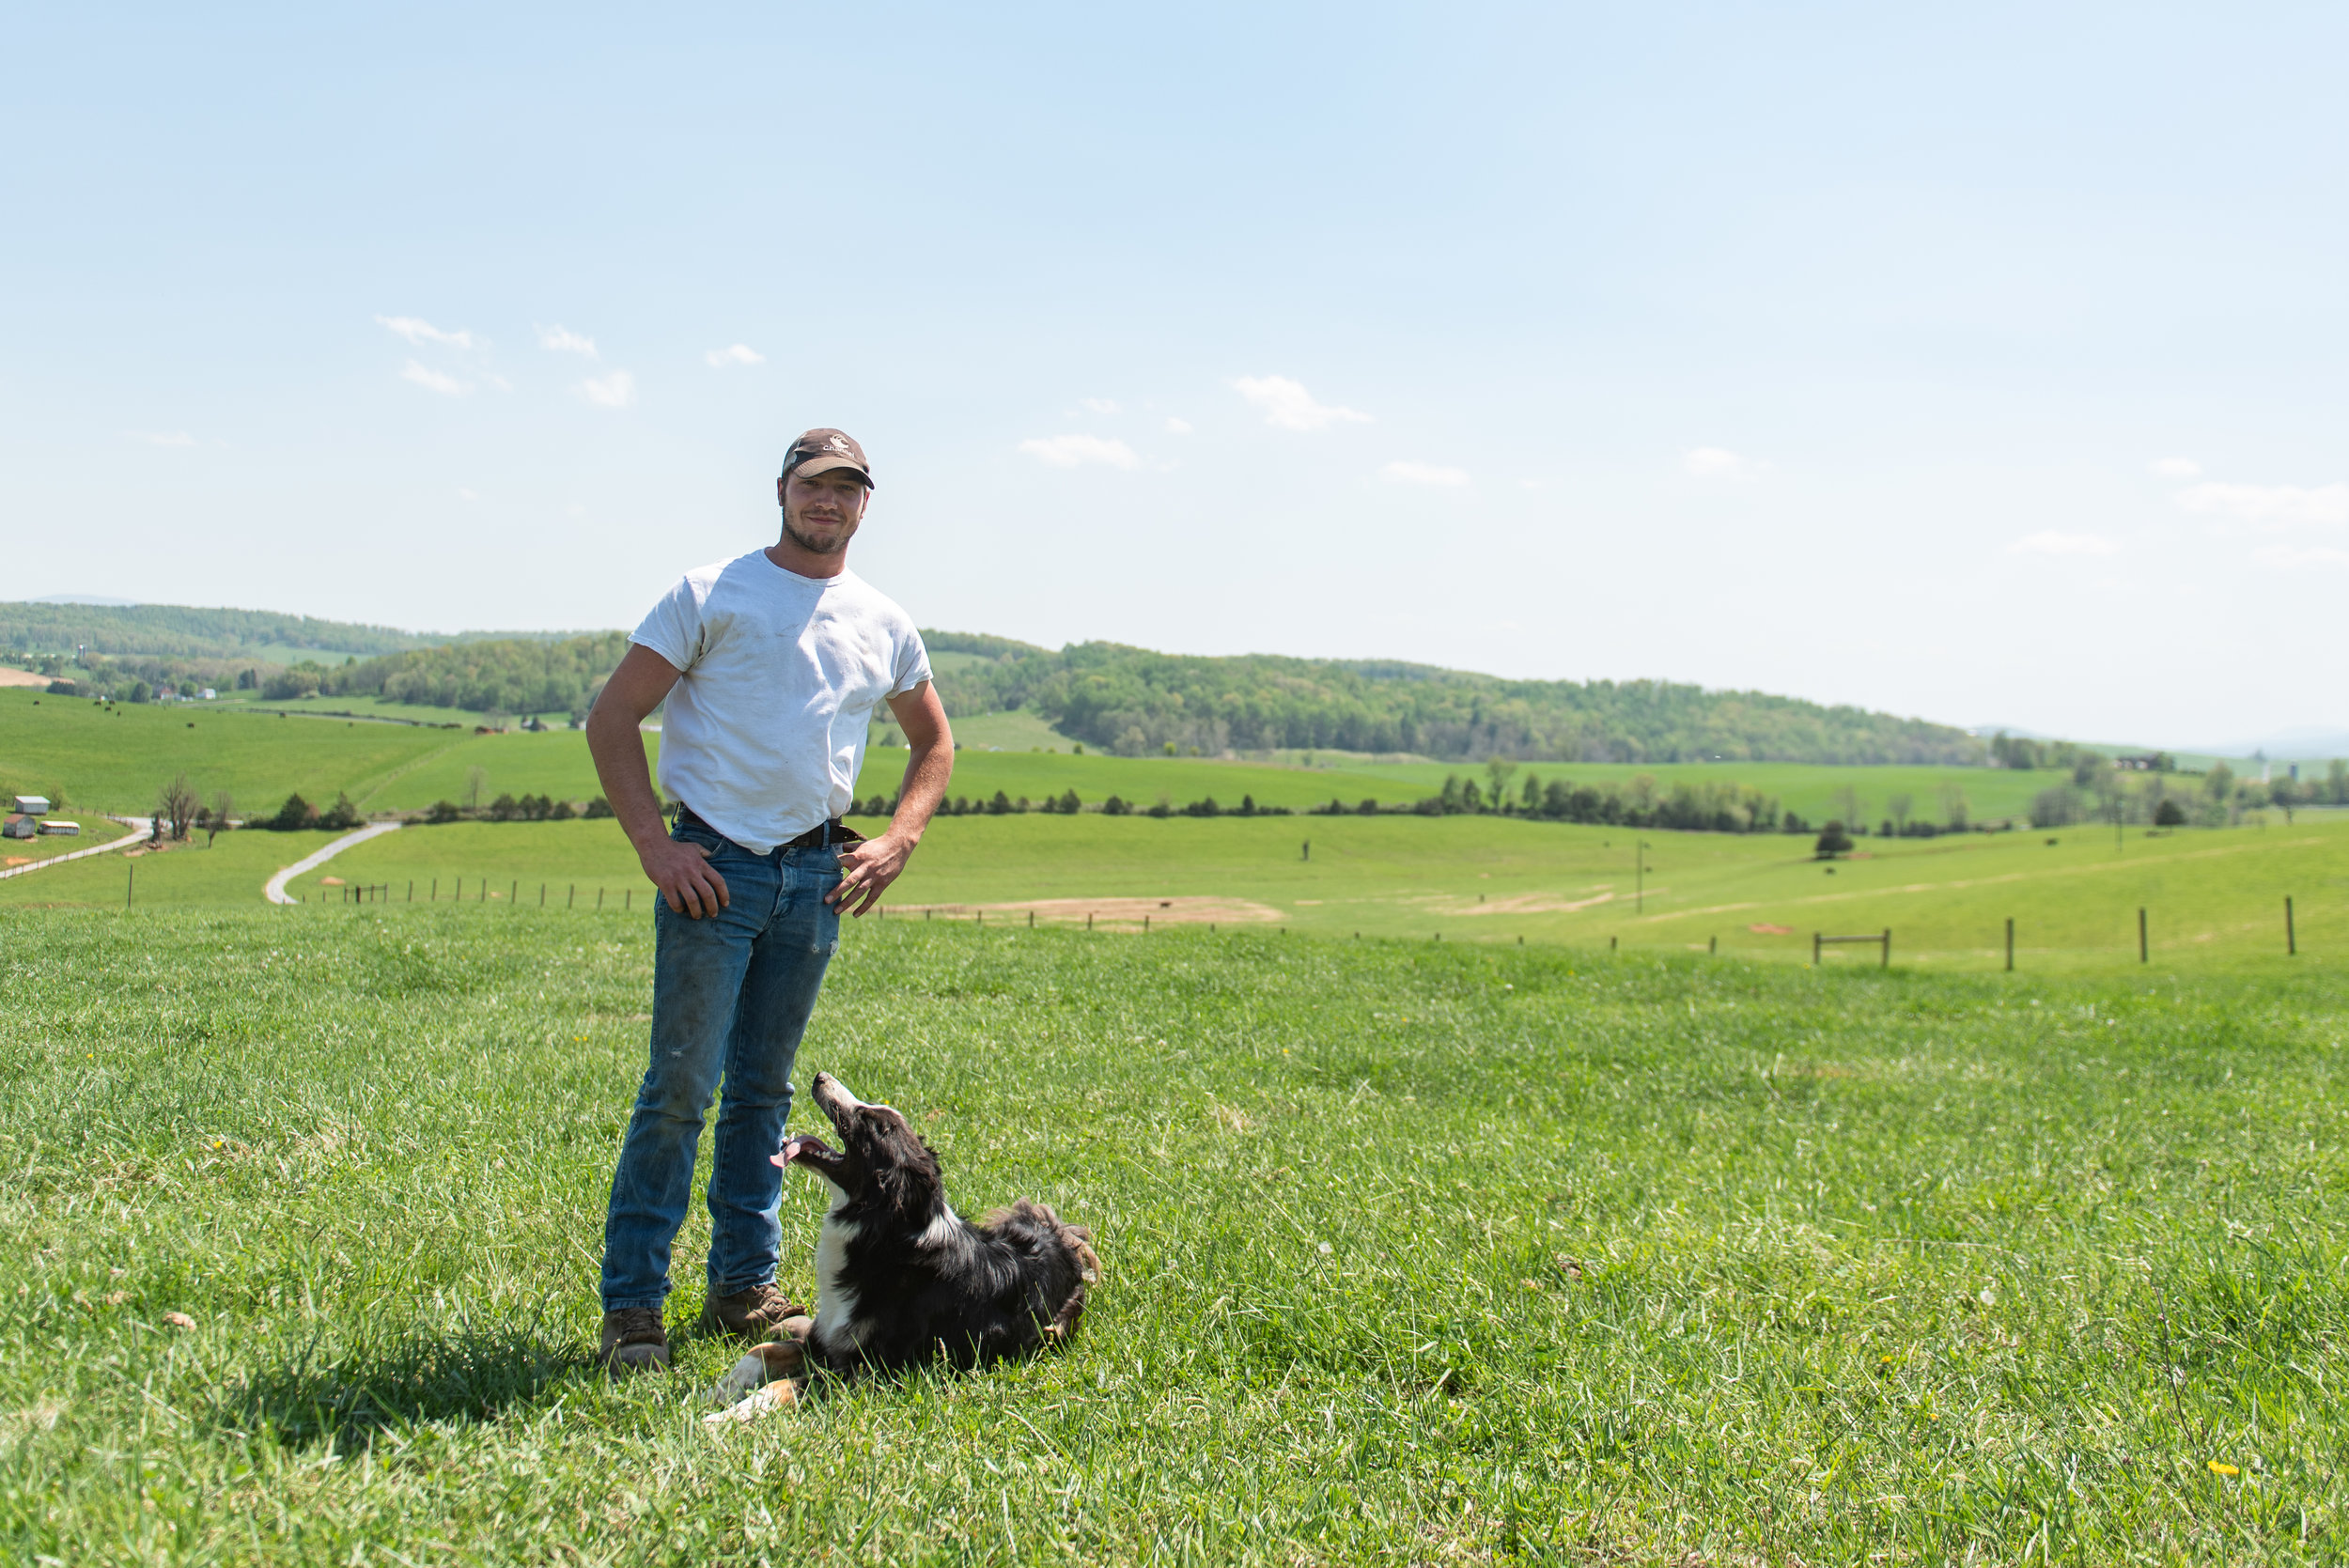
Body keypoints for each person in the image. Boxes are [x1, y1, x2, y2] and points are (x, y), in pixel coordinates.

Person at [583, 427, 953, 1373]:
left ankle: (745, 1284)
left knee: (763, 1090)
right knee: (679, 1090)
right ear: (782, 489)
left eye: (846, 487)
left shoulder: (882, 619)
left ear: (865, 504)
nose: (826, 500)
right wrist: (655, 847)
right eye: (811, 483)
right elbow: (613, 716)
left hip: (814, 876)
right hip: (716, 867)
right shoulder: (710, 592)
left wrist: (898, 836)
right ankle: (634, 1308)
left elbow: (933, 742)